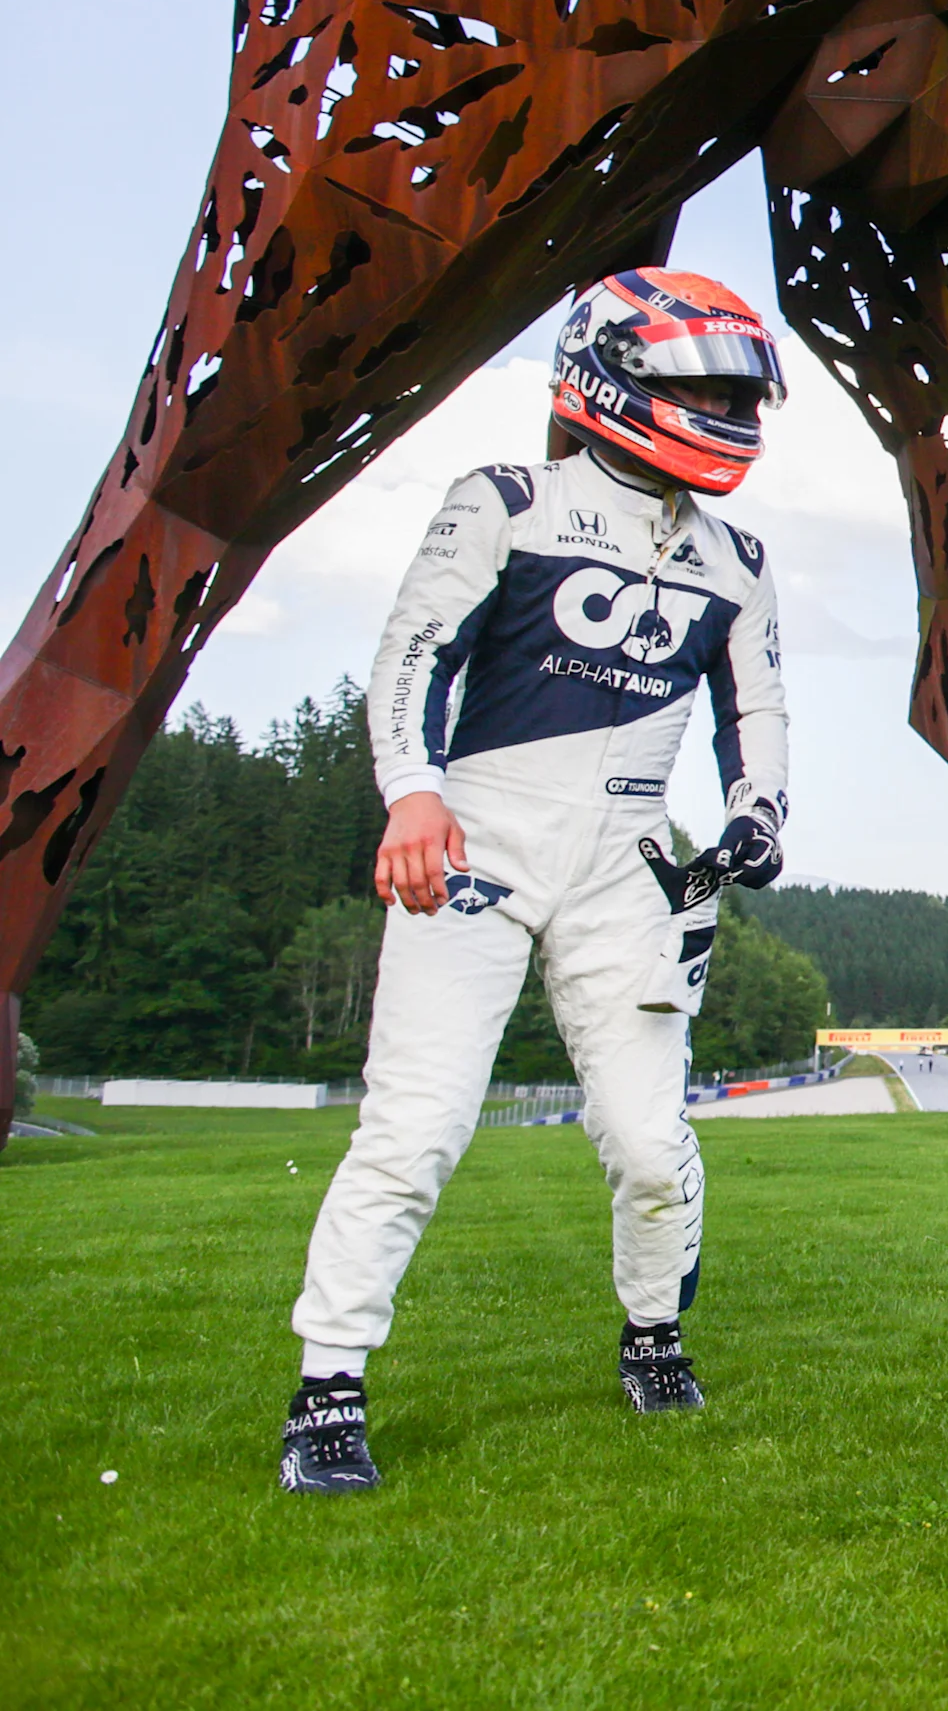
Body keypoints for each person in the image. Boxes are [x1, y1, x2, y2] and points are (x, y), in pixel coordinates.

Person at [277, 269, 794, 1495]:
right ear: (606, 373)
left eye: (735, 389)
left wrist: (758, 811)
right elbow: (409, 650)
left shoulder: (740, 557)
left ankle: (654, 1333)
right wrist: (411, 789)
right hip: (479, 847)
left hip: (635, 867)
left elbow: (758, 705)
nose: (721, 408)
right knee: (416, 1124)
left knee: (649, 1140)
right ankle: (327, 1388)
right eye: (697, 384)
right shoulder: (505, 500)